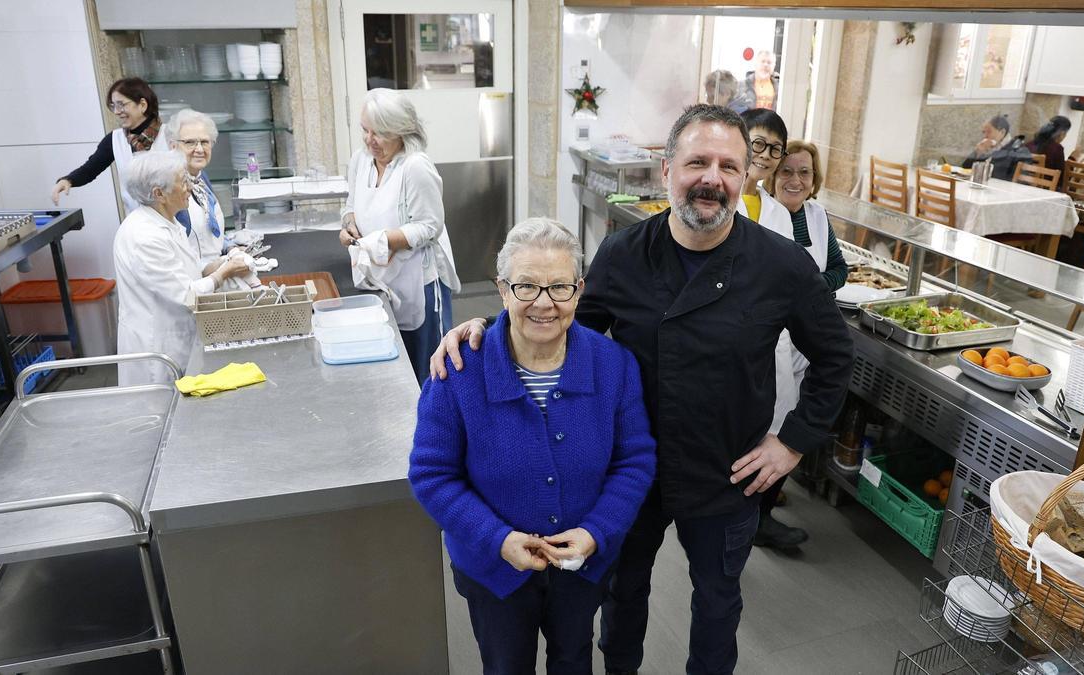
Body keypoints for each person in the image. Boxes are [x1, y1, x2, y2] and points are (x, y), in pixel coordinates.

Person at [430, 104, 854, 675]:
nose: (713, 178)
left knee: (717, 603)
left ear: (747, 176)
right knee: (621, 596)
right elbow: (563, 326)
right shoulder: (625, 254)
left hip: (728, 468)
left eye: (729, 166)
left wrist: (792, 442)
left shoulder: (782, 265)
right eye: (697, 162)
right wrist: (487, 326)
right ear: (667, 172)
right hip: (631, 471)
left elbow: (834, 355)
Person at [410, 218, 657, 674]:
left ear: (579, 291)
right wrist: (497, 539)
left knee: (573, 659)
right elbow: (431, 474)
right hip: (493, 571)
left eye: (559, 287)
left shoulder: (613, 366)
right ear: (502, 290)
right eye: (526, 286)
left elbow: (635, 461)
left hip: (581, 566)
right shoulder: (460, 369)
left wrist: (595, 532)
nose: (544, 303)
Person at [753, 139, 848, 549]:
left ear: (815, 180)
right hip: (768, 340)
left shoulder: (817, 216)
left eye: (804, 172)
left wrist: (808, 293)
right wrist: (805, 294)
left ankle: (765, 497)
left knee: (788, 422)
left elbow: (840, 270)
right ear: (772, 175)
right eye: (786, 171)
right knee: (765, 423)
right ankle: (756, 517)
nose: (795, 179)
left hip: (801, 341)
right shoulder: (760, 216)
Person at [339, 88, 460, 383]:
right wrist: (349, 224)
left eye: (379, 133)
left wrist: (385, 240)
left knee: (428, 368)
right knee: (392, 365)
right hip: (380, 275)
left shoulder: (415, 167)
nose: (370, 140)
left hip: (418, 280)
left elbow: (430, 225)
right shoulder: (361, 159)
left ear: (401, 131)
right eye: (365, 131)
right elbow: (351, 203)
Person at [113, 151, 251, 386]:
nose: (189, 187)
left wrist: (213, 265)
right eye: (182, 182)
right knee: (160, 412)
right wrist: (223, 273)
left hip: (176, 335)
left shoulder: (166, 220)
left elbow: (181, 266)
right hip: (157, 346)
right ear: (159, 194)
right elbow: (186, 295)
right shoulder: (145, 236)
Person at [52, 78, 167, 214]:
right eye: (113, 106)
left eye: (121, 104)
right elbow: (90, 169)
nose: (117, 111)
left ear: (142, 105)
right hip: (139, 222)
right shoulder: (114, 139)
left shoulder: (171, 135)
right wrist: (68, 180)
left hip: (178, 221)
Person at [165, 109, 228, 271]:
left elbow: (208, 235)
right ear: (172, 146)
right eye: (190, 142)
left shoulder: (202, 177)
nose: (199, 149)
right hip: (193, 282)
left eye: (205, 142)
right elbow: (174, 252)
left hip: (215, 273)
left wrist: (230, 248)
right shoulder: (169, 189)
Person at [737, 108, 793, 234]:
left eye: (776, 148)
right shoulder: (715, 199)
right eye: (758, 143)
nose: (766, 155)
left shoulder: (781, 214)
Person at [961, 114, 1030, 181]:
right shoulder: (987, 147)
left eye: (989, 132)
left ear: (1002, 132)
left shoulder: (1018, 151)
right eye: (984, 132)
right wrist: (977, 153)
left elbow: (1019, 181)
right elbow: (964, 168)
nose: (985, 136)